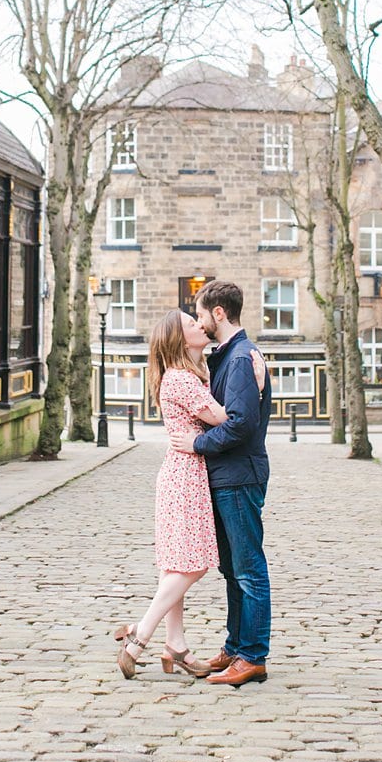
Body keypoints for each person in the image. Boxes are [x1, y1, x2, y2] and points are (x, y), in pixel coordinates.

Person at [167, 279, 272, 687]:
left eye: (199, 314)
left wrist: (196, 442)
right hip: (225, 476)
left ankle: (253, 655)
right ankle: (234, 646)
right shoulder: (226, 356)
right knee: (231, 569)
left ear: (219, 314)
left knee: (248, 569)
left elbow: (242, 424)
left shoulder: (243, 357)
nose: (198, 321)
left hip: (240, 475)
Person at [113, 309, 228, 680]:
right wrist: (256, 387)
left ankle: (175, 645)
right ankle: (140, 636)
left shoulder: (187, 375)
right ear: (180, 339)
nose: (200, 324)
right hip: (186, 474)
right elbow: (224, 419)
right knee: (195, 563)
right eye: (191, 323)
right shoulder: (181, 379)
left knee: (176, 564)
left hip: (182, 472)